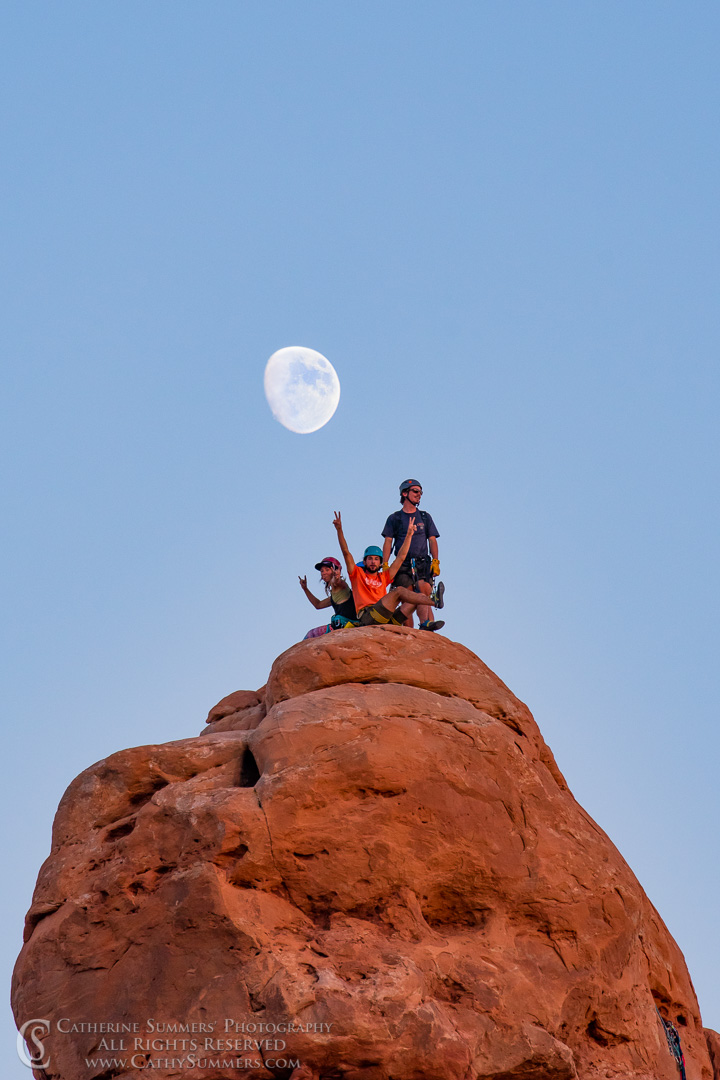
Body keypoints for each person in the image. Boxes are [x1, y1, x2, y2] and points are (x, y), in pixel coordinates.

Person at [333, 511, 444, 631]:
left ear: (380, 563)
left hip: (386, 620)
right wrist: (339, 530)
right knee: (399, 591)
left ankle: (425, 623)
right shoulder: (356, 574)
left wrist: (409, 535)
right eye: (369, 559)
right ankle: (434, 601)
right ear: (364, 562)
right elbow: (346, 552)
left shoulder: (384, 576)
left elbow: (401, 557)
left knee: (416, 597)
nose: (373, 562)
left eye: (376, 559)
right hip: (368, 616)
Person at [382, 478, 443, 629]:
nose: (419, 495)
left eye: (421, 492)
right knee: (408, 598)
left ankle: (426, 625)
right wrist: (385, 564)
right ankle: (409, 633)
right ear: (404, 493)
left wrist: (436, 561)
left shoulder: (424, 517)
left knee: (424, 592)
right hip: (402, 564)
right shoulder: (394, 518)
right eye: (416, 491)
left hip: (422, 561)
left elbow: (432, 540)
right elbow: (388, 542)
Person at [299, 556, 357, 639]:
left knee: (310, 635)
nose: (323, 573)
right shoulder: (335, 595)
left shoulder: (341, 585)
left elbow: (338, 582)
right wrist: (305, 589)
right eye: (322, 571)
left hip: (347, 625)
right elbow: (318, 605)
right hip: (341, 625)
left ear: (335, 570)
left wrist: (336, 577)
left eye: (327, 570)